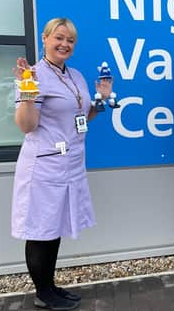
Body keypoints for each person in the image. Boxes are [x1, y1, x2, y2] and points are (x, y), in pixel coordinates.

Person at [12, 18, 113, 310]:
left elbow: (82, 117)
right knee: (40, 230)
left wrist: (101, 100)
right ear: (45, 39)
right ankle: (43, 292)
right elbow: (27, 125)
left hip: (69, 163)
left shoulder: (75, 76)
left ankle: (51, 285)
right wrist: (27, 94)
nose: (64, 44)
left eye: (70, 40)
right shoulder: (33, 75)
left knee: (53, 228)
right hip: (44, 165)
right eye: (59, 38)